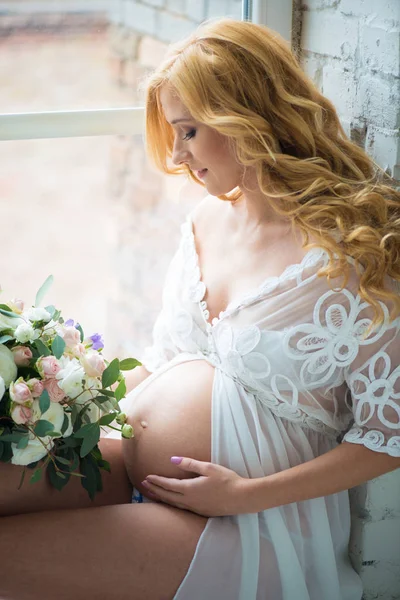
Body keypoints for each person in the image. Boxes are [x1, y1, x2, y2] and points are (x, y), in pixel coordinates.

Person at [1, 17, 400, 600]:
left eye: (188, 131)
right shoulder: (205, 222)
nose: (180, 155)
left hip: (247, 523)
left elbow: (385, 438)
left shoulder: (354, 257)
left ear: (243, 117)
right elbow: (167, 359)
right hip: (143, 471)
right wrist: (55, 395)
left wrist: (242, 496)